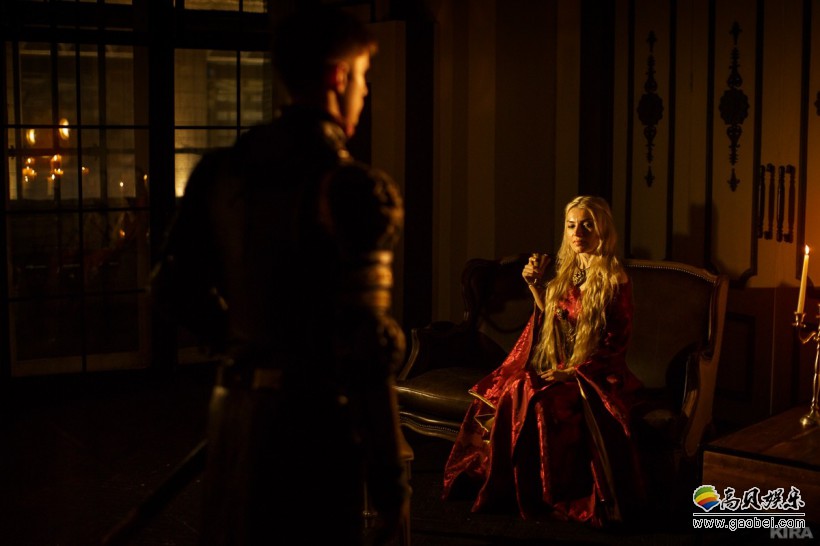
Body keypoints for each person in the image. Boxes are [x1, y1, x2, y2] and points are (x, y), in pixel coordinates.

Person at [149, 6, 410, 545]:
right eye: (363, 77)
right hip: (313, 432)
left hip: (234, 417)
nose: (365, 93)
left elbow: (172, 287)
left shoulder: (218, 171)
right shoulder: (353, 190)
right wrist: (391, 487)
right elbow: (366, 347)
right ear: (338, 77)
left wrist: (247, 346)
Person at [441, 195, 644, 527]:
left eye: (587, 225)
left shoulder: (614, 278)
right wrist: (535, 285)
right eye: (571, 226)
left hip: (596, 377)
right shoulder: (570, 270)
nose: (577, 233)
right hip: (562, 367)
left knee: (540, 403)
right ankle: (508, 488)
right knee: (515, 386)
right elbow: (554, 316)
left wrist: (573, 374)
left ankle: (548, 494)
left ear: (602, 230)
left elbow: (615, 343)